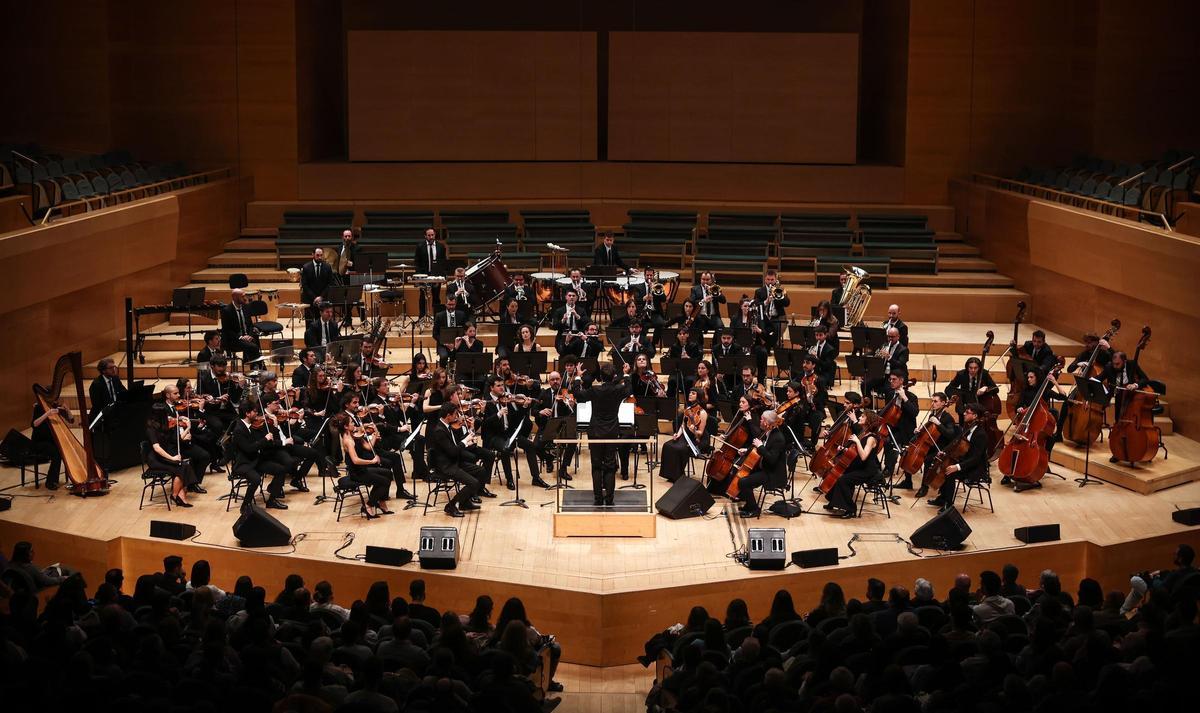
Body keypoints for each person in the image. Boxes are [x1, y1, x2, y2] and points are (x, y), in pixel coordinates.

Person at [572, 362, 631, 506]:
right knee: (610, 466)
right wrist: (627, 373)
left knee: (596, 465)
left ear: (600, 377)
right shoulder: (618, 389)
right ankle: (609, 500)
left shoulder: (595, 390)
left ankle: (598, 499)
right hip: (611, 431)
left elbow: (578, 394)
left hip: (595, 432)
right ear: (614, 376)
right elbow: (629, 390)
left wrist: (578, 377)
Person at [482, 376, 549, 490]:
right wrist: (498, 414)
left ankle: (536, 478)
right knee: (505, 449)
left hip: (508, 433)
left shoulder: (506, 399)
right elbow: (485, 425)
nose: (501, 388)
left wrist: (524, 406)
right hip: (493, 436)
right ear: (491, 388)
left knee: (530, 446)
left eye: (502, 385)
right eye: (498, 386)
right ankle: (510, 479)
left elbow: (516, 419)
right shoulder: (486, 402)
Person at [425, 403, 483, 517]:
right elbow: (452, 451)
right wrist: (465, 441)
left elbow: (456, 444)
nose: (457, 417)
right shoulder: (439, 431)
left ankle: (464, 502)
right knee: (473, 483)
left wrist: (469, 433)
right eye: (455, 414)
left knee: (481, 471)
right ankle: (450, 506)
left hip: (454, 461)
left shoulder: (447, 426)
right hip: (445, 466)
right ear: (448, 416)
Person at [929, 402, 990, 509]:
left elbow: (975, 458)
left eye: (967, 412)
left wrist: (957, 467)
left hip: (975, 468)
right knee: (944, 466)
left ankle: (948, 504)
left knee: (949, 472)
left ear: (975, 416)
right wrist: (944, 452)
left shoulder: (981, 435)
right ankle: (942, 498)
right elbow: (956, 444)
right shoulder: (968, 427)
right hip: (964, 461)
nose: (964, 414)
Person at [230, 401, 289, 510]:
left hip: (256, 460)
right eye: (255, 412)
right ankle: (245, 506)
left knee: (281, 470)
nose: (257, 414)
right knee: (256, 479)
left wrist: (274, 428)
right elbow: (249, 449)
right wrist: (265, 439)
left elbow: (266, 441)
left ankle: (271, 501)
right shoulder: (239, 429)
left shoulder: (253, 426)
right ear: (247, 413)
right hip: (244, 463)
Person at [825, 409, 882, 518]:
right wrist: (845, 450)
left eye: (863, 417)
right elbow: (856, 452)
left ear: (868, 421)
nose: (859, 418)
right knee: (840, 474)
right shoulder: (864, 433)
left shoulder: (871, 438)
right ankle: (833, 502)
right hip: (859, 465)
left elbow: (864, 456)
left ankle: (851, 509)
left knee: (844, 480)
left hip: (867, 470)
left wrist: (857, 441)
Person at [733, 410, 788, 517]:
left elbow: (772, 459)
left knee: (743, 482)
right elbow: (762, 449)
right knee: (740, 472)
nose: (760, 421)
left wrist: (760, 446)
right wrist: (746, 450)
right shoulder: (768, 432)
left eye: (762, 419)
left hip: (773, 474)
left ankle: (754, 509)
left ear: (767, 423)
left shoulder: (778, 438)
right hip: (766, 469)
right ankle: (749, 505)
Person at [338, 415, 393, 518]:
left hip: (363, 469)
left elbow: (368, 447)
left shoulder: (354, 435)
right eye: (352, 423)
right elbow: (355, 460)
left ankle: (380, 501)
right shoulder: (348, 441)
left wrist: (375, 434)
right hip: (357, 473)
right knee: (385, 482)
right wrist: (372, 461)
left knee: (388, 473)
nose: (354, 424)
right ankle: (368, 505)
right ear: (346, 426)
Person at [657, 388, 710, 483]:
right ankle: (671, 475)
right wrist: (677, 434)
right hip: (685, 435)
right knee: (668, 445)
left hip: (697, 439)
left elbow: (701, 432)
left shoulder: (702, 413)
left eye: (693, 393)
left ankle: (679, 476)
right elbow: (683, 425)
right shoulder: (688, 409)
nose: (690, 394)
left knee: (679, 449)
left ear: (698, 397)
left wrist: (694, 431)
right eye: (690, 392)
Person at [879, 371, 919, 481]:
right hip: (893, 427)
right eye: (890, 379)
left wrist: (904, 398)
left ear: (901, 381)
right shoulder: (890, 393)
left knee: (891, 442)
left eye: (894, 379)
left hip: (906, 430)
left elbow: (914, 412)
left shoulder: (911, 397)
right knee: (882, 439)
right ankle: (885, 467)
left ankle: (899, 474)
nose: (891, 382)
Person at [219, 288, 261, 363]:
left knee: (255, 338)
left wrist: (249, 335)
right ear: (235, 297)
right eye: (243, 296)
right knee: (253, 347)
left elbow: (250, 325)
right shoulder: (226, 311)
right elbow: (227, 330)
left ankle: (254, 365)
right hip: (233, 339)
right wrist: (241, 337)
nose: (245, 298)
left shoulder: (246, 307)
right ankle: (255, 367)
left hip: (246, 337)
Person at [413, 227, 446, 314]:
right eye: (429, 235)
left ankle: (436, 317)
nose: (431, 237)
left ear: (435, 235)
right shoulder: (420, 246)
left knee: (436, 297)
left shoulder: (441, 246)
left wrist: (443, 276)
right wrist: (418, 277)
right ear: (425, 236)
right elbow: (417, 262)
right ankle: (422, 316)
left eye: (432, 235)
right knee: (422, 297)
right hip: (424, 276)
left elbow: (443, 262)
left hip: (436, 275)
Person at [433, 296, 468, 367]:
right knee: (443, 356)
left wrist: (457, 343)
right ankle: (443, 375)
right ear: (445, 304)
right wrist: (445, 343)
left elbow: (465, 331)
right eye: (449, 305)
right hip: (443, 345)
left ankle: (460, 375)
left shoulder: (461, 315)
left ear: (456, 304)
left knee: (464, 355)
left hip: (458, 343)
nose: (451, 307)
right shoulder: (439, 316)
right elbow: (435, 334)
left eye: (453, 305)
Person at [300, 247, 334, 317]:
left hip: (323, 298)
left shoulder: (327, 267)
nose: (320, 257)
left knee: (322, 322)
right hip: (309, 299)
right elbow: (305, 285)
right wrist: (315, 297)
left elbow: (330, 283)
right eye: (317, 255)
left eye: (321, 255)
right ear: (313, 255)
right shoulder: (306, 267)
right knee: (309, 322)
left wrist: (321, 297)